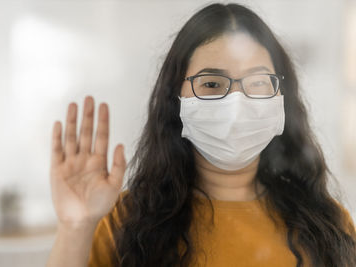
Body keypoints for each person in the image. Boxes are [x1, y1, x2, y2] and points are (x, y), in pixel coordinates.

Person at [46, 3, 356, 267]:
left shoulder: (329, 225)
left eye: (258, 83)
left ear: (281, 97)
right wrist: (74, 228)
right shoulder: (124, 222)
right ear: (175, 99)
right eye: (211, 84)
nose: (237, 103)